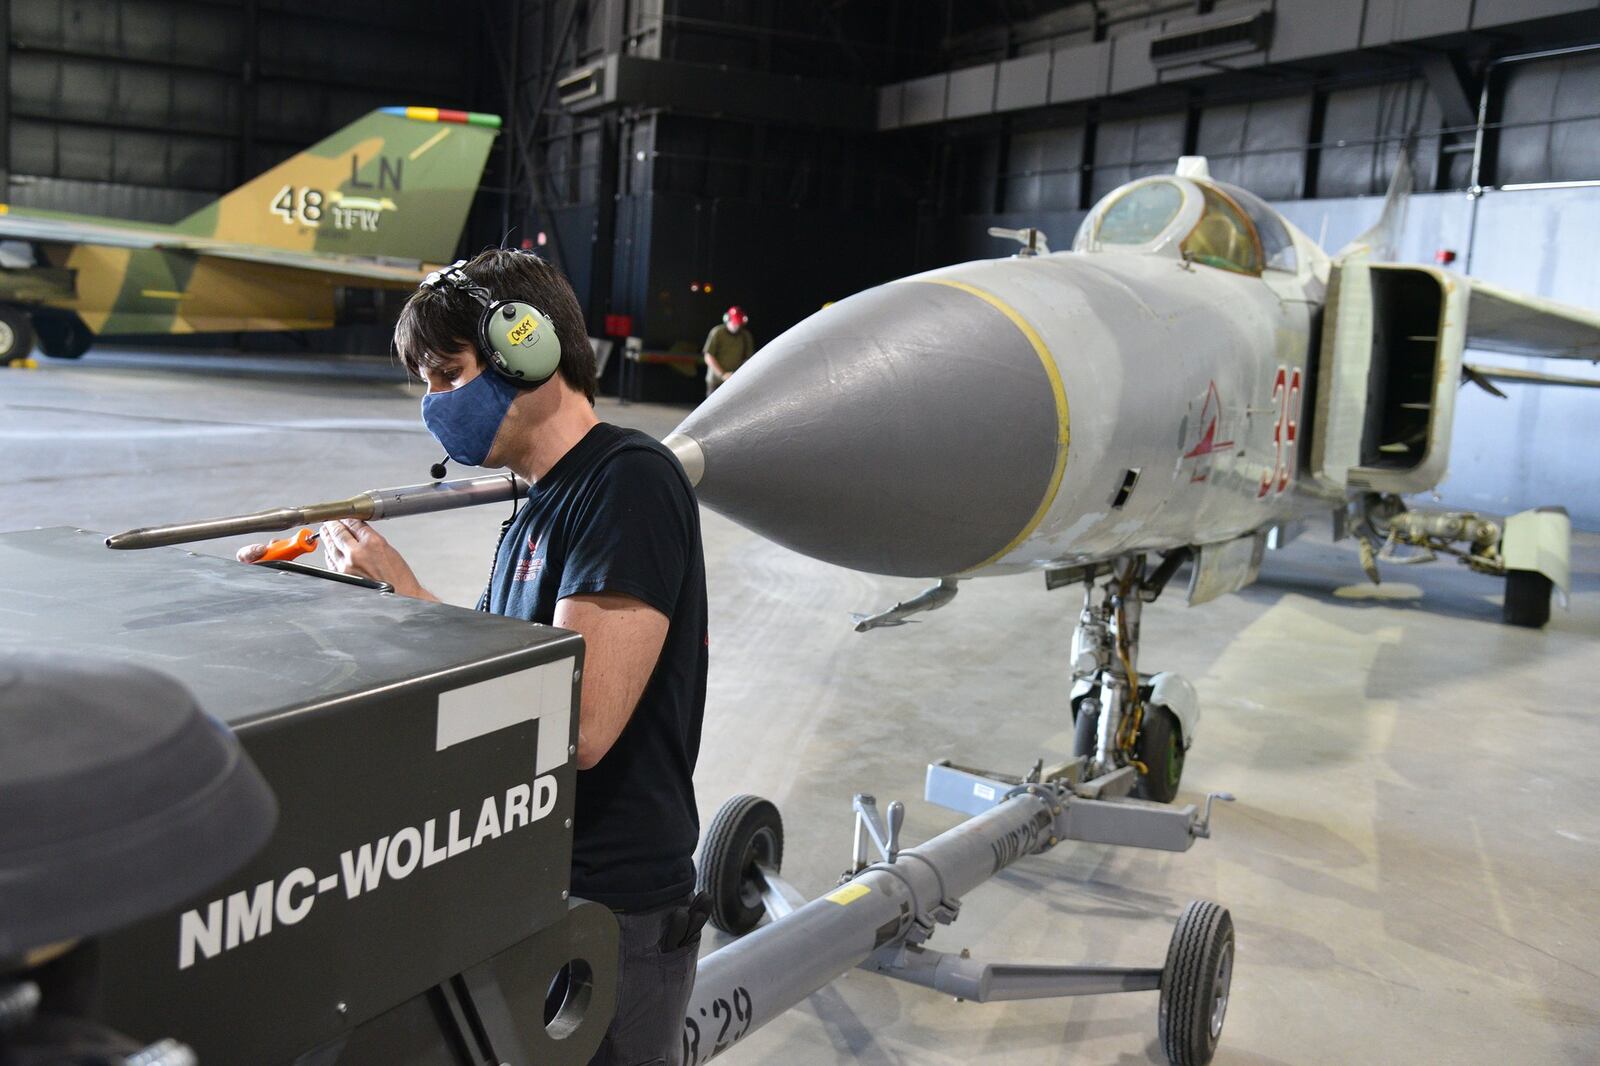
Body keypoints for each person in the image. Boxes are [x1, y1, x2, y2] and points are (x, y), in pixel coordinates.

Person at [237, 248, 708, 1066]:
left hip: (611, 909)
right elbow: (502, 671)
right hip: (532, 881)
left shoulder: (628, 482)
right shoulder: (538, 507)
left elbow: (581, 718)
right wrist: (354, 602)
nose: (434, 404)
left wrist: (408, 596)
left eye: (447, 374)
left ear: (527, 349)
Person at [702, 306, 754, 396]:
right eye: (734, 323)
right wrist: (722, 374)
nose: (736, 326)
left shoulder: (745, 336)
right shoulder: (717, 332)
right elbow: (708, 356)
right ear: (727, 319)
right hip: (716, 381)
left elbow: (749, 358)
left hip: (734, 382)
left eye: (739, 324)